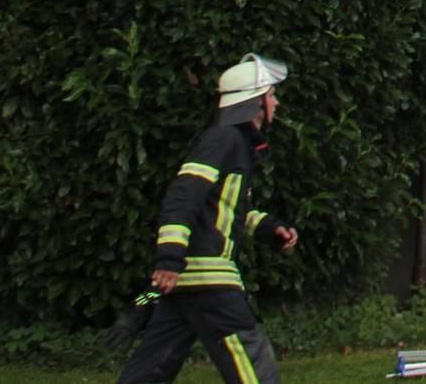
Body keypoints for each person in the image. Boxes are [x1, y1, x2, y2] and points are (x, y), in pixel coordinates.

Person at [117, 54, 300, 384]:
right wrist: (169, 259)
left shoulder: (236, 145)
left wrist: (272, 229)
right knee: (256, 369)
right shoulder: (224, 139)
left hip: (187, 283)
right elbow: (183, 195)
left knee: (148, 372)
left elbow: (226, 210)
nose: (277, 101)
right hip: (210, 278)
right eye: (272, 94)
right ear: (255, 100)